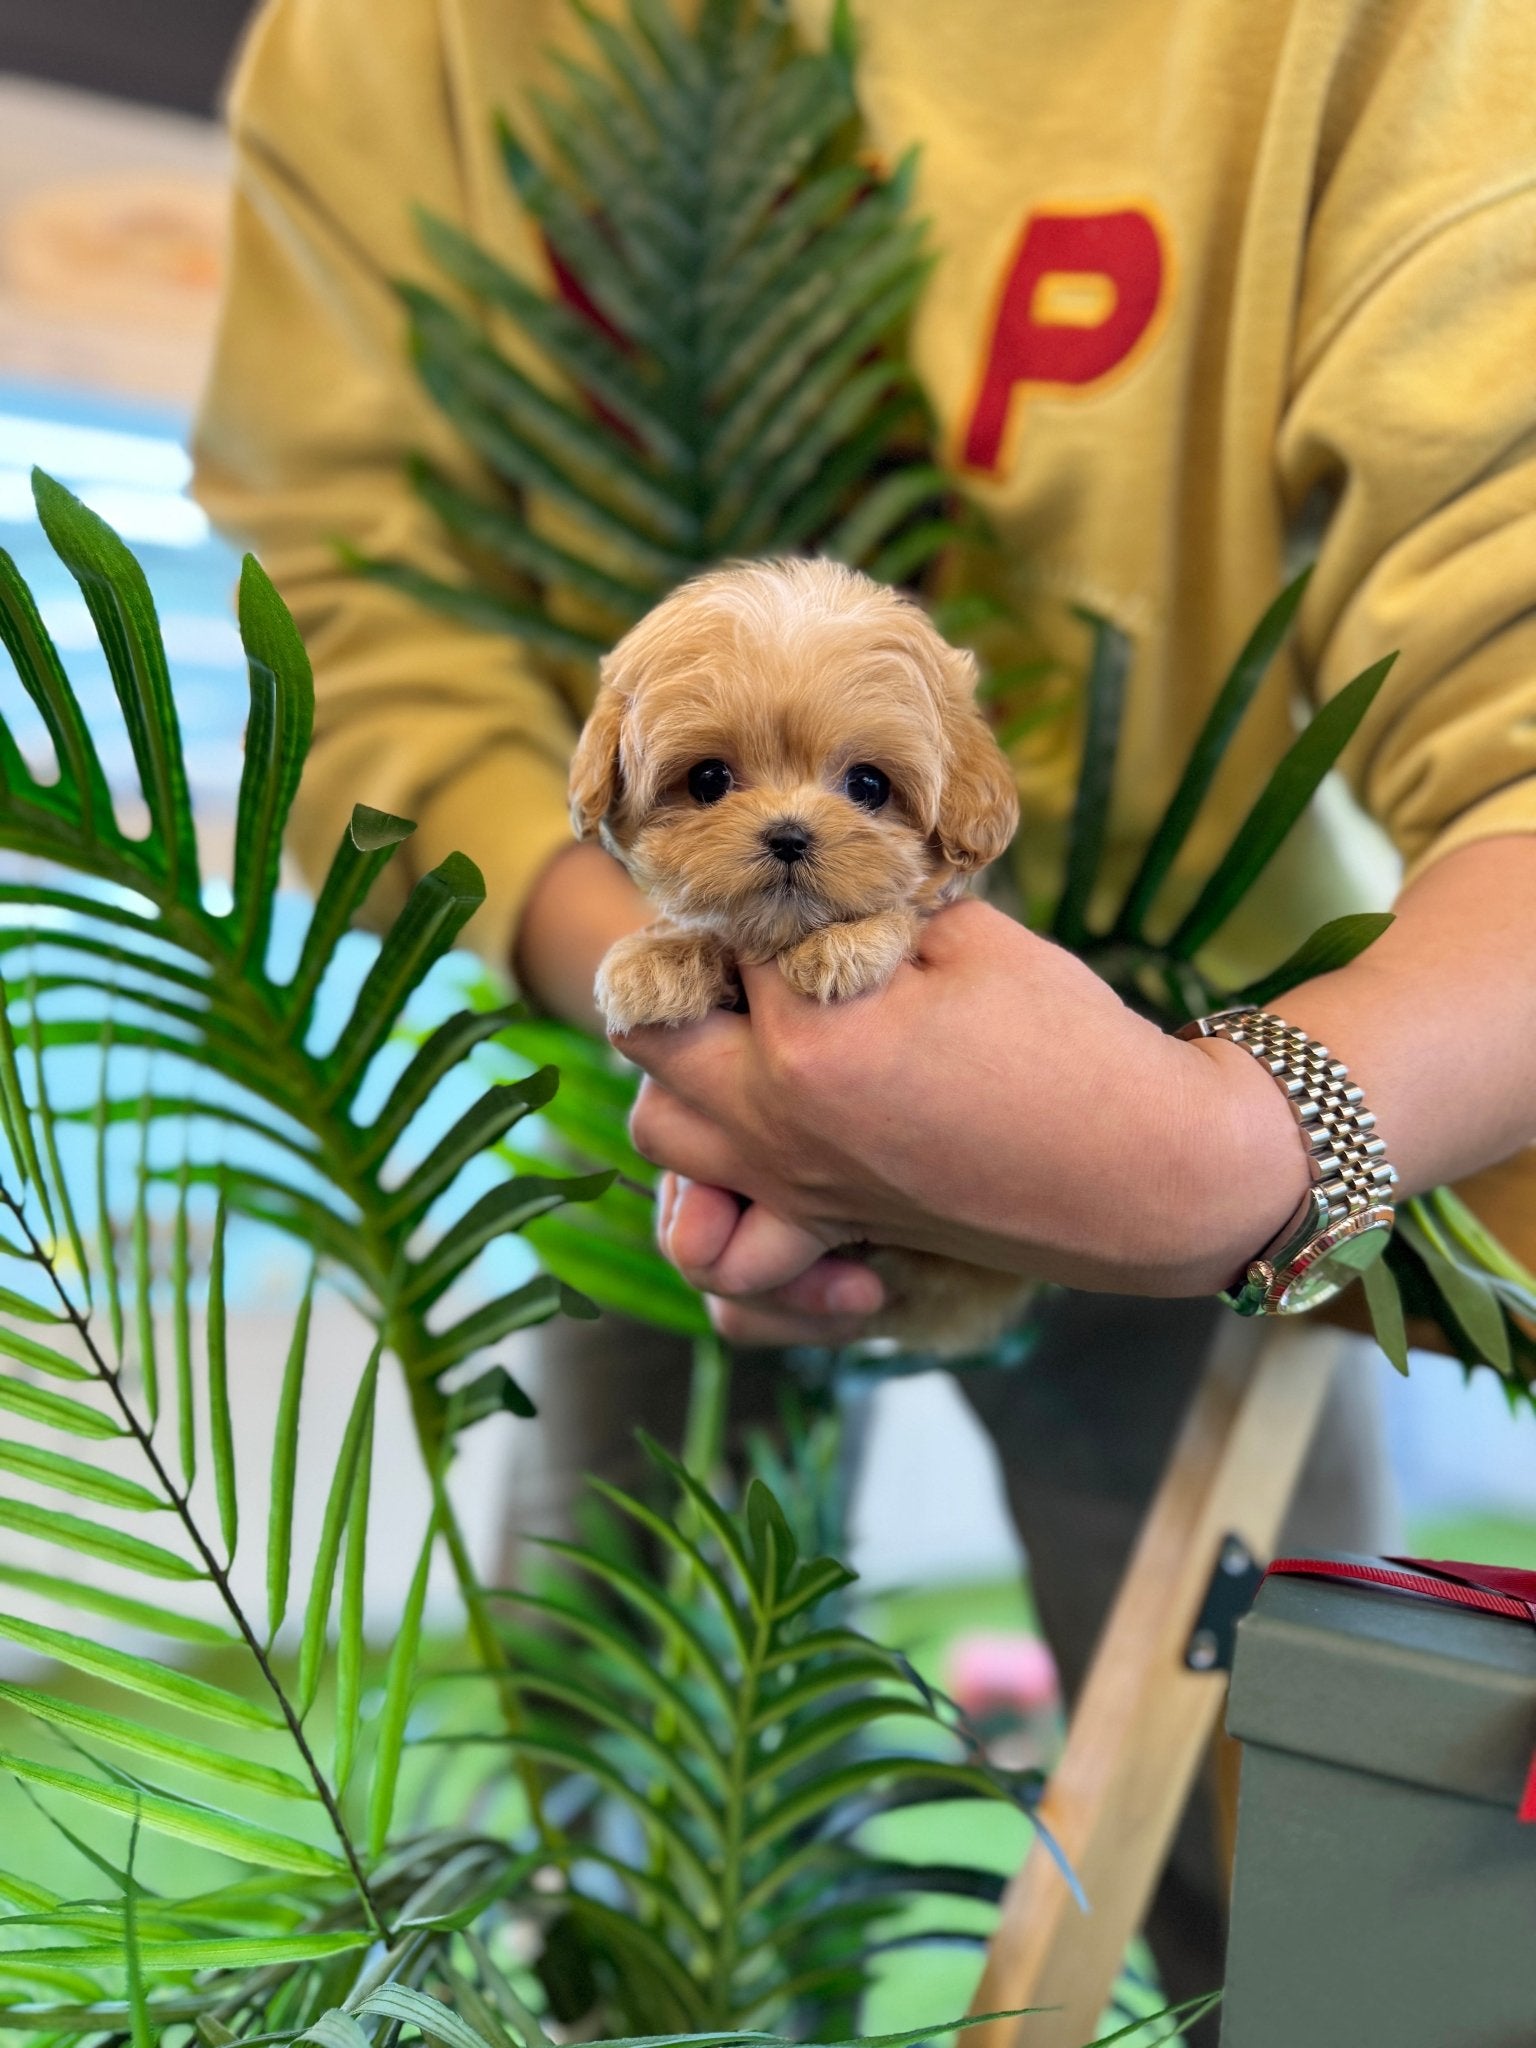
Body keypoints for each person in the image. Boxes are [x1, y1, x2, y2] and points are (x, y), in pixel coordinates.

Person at [192, 0, 1536, 2024]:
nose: (794, 828)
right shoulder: (396, 45)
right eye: (714, 779)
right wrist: (634, 978)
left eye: (864, 789)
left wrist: (1234, 1142)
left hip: (1238, 1067)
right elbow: (352, 623)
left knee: (1293, 1864)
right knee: (635, 1825)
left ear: (946, 800)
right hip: (623, 1142)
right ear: (630, 783)